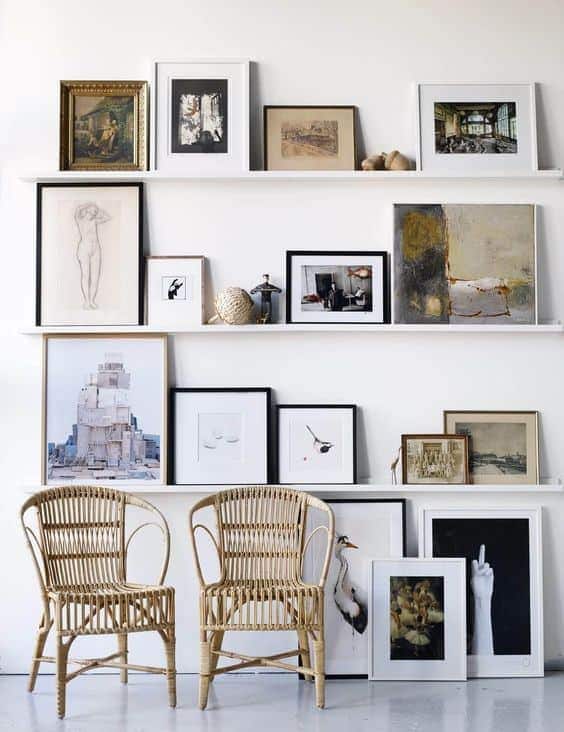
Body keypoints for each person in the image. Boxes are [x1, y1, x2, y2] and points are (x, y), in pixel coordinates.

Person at [75, 202, 111, 310]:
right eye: (92, 212)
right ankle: (86, 301)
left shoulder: (95, 221)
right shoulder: (80, 220)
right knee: (86, 275)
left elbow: (108, 217)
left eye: (95, 212)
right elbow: (77, 210)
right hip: (84, 249)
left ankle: (92, 301)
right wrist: (87, 206)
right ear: (87, 211)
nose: (93, 214)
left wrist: (98, 210)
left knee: (95, 277)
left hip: (96, 249)